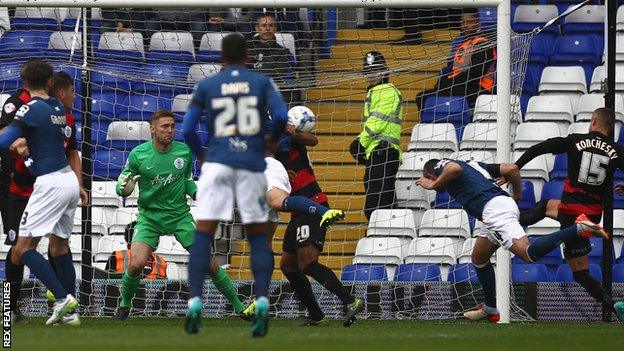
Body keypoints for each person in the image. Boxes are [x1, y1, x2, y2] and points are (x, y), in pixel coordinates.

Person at [182, 33, 288, 337]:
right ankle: (263, 301)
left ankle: (194, 302)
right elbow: (281, 115)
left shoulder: (207, 85)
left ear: (221, 58)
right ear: (247, 56)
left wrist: (202, 155)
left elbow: (188, 129)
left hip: (217, 162)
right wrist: (270, 140)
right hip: (251, 163)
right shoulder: (261, 82)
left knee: (204, 232)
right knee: (257, 235)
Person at [417, 158, 609, 322]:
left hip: (494, 211)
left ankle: (577, 229)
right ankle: (491, 308)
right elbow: (512, 169)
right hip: (497, 207)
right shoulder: (475, 164)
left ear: (430, 174)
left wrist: (434, 183)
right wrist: (517, 195)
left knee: (528, 254)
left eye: (430, 181)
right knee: (479, 258)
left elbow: (454, 169)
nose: (434, 188)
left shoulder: (441, 166)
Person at [111, 109, 248, 321]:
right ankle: (124, 305)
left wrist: (198, 194)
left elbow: (187, 181)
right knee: (136, 263)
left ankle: (239, 307)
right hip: (150, 217)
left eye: (173, 126)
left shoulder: (183, 152)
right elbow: (123, 183)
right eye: (165, 126)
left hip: (179, 216)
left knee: (208, 263)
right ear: (153, 129)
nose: (170, 130)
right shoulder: (138, 154)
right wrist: (124, 188)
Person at [247, 120, 362, 326]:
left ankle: (351, 301)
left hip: (312, 203)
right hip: (297, 211)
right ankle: (316, 313)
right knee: (289, 266)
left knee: (307, 262)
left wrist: (292, 130)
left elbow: (313, 139)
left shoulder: (289, 142)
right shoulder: (275, 159)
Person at [513, 108, 624, 322]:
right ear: (610, 128)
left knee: (545, 206)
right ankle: (615, 306)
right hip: (591, 217)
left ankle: (508, 222)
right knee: (580, 273)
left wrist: (517, 166)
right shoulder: (616, 151)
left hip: (570, 211)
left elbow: (541, 147)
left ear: (593, 121)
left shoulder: (575, 140)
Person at [0, 67, 87, 324]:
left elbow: (5, 141)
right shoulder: (59, 108)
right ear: (50, 83)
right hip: (64, 181)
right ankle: (64, 314)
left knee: (22, 249)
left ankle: (62, 298)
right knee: (59, 247)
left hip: (46, 185)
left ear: (24, 82)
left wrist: (19, 142)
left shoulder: (29, 108)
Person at [352, 51, 402, 220]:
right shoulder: (377, 91)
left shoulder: (386, 90)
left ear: (385, 70)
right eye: (368, 71)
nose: (371, 75)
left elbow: (377, 121)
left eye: (375, 70)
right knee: (380, 201)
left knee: (377, 205)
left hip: (384, 152)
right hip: (378, 153)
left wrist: (360, 142)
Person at [415, 8, 495, 110]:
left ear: (478, 23)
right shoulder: (462, 45)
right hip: (459, 85)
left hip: (478, 87)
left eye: (469, 22)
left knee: (440, 93)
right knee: (422, 97)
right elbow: (452, 69)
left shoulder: (483, 43)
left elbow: (476, 72)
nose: (465, 25)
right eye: (463, 22)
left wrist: (450, 82)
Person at [248, 13, 294, 83]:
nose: (267, 28)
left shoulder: (283, 52)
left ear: (275, 28)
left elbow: (277, 75)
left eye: (271, 25)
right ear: (256, 28)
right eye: (264, 25)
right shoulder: (247, 48)